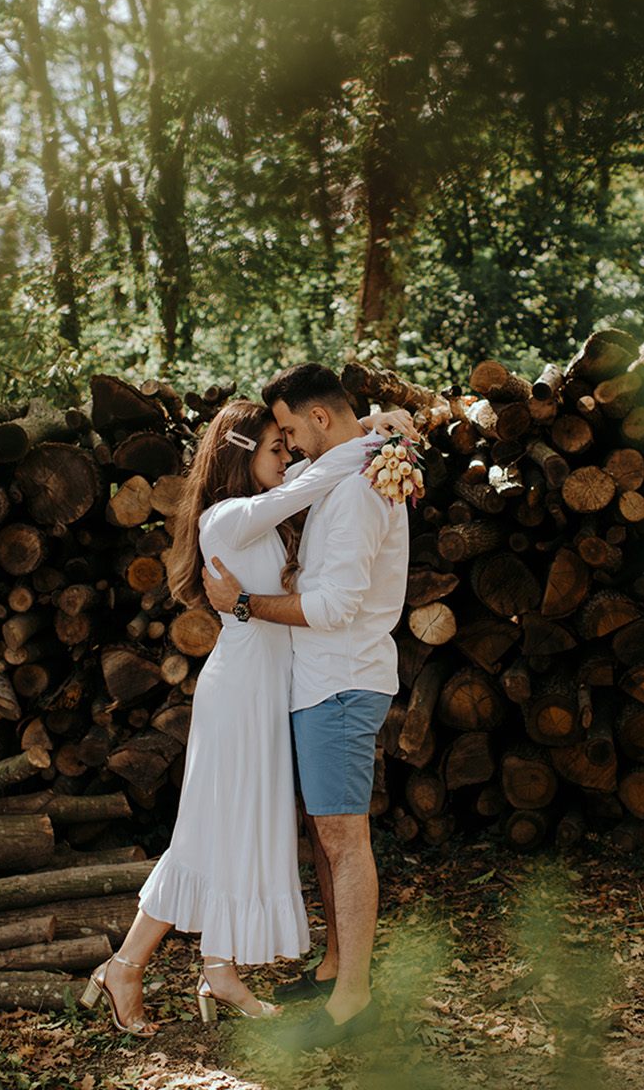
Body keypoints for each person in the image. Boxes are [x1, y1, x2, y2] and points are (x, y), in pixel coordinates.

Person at [80, 397, 413, 1035]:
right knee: (207, 830)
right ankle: (126, 964)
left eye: (287, 446)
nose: (287, 457)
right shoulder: (226, 517)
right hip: (238, 695)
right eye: (274, 447)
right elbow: (318, 475)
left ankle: (219, 969)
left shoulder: (272, 498)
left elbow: (313, 470)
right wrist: (370, 441)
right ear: (240, 455)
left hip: (272, 690)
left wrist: (368, 427)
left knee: (236, 829)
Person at [203, 362, 412, 1051]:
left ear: (319, 417)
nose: (287, 446)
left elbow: (332, 606)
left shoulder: (355, 492)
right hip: (322, 684)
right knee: (328, 836)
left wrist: (242, 605)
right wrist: (393, 428)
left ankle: (354, 1001)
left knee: (343, 839)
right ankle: (333, 968)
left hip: (343, 683)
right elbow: (297, 486)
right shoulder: (356, 469)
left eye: (289, 429)